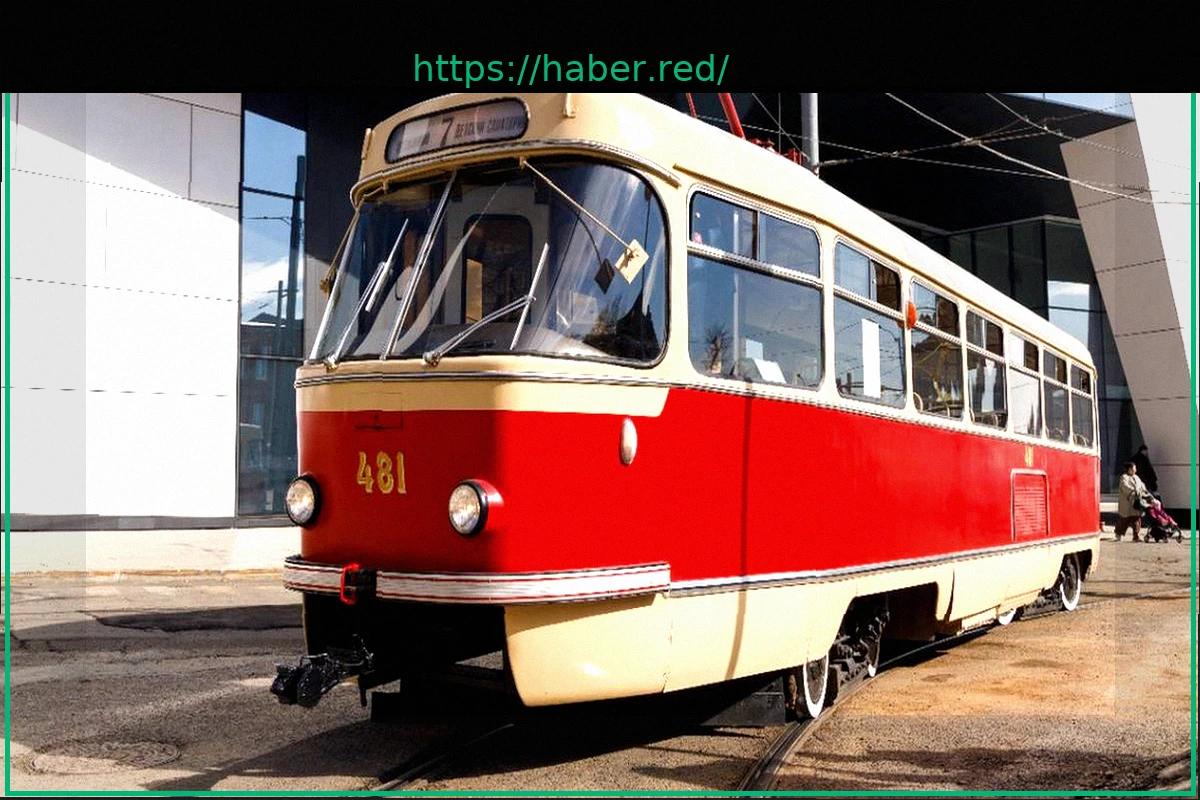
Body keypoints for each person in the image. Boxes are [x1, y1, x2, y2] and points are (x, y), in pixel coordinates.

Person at [1115, 461, 1150, 542]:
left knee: (1136, 519)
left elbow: (1142, 486)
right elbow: (1125, 487)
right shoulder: (1124, 477)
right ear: (1130, 469)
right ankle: (1118, 533)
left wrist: (1145, 493)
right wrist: (1133, 491)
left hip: (1136, 502)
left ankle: (1136, 536)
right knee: (1124, 520)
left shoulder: (1137, 477)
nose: (1135, 470)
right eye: (1134, 468)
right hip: (1127, 502)